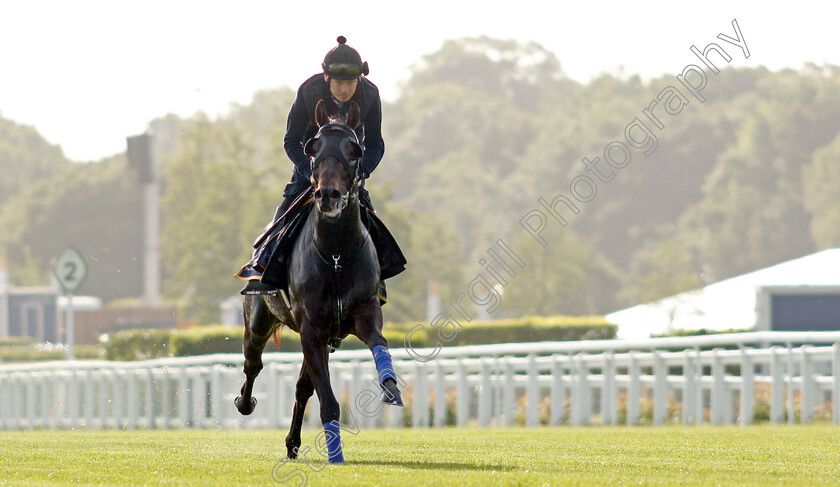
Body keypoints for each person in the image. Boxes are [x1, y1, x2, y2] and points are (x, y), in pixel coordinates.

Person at [237, 36, 402, 299]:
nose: (345, 89)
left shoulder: (370, 95)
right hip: (312, 166)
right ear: (326, 79)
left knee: (368, 213)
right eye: (339, 83)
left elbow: (375, 143)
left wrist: (361, 172)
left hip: (348, 171)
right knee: (286, 209)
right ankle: (261, 265)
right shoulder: (309, 91)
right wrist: (308, 172)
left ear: (359, 79)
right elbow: (291, 141)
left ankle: (377, 277)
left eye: (350, 83)